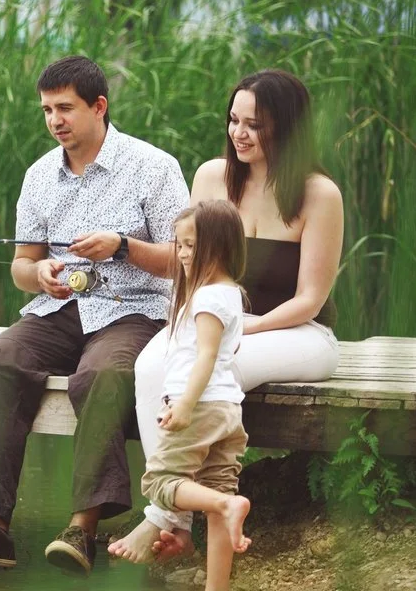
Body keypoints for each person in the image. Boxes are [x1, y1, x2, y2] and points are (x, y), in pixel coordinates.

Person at [0, 55, 189, 574]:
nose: (55, 120)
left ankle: (82, 529)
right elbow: (21, 266)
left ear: (99, 106)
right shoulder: (39, 175)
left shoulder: (154, 167)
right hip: (58, 306)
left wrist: (121, 247)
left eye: (65, 108)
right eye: (47, 110)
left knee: (103, 374)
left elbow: (183, 260)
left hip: (132, 309)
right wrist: (41, 273)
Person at [109, 69, 342, 564]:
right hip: (213, 323)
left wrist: (240, 329)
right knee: (153, 366)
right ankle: (179, 516)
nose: (239, 133)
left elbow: (310, 299)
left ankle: (164, 518)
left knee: (217, 366)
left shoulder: (319, 194)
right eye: (234, 120)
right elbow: (189, 266)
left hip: (299, 333)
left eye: (254, 125)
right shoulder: (214, 178)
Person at [140, 200, 253, 591]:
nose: (183, 254)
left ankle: (226, 505)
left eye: (191, 245)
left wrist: (184, 404)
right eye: (180, 245)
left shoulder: (205, 298)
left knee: (159, 483)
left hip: (200, 407)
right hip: (227, 408)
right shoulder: (230, 294)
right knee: (220, 488)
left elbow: (206, 355)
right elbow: (225, 352)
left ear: (217, 247)